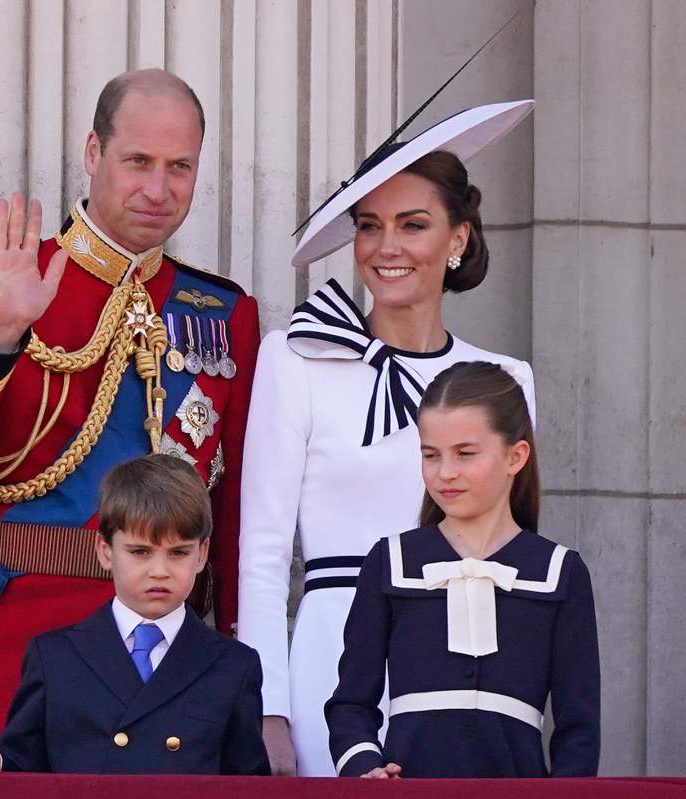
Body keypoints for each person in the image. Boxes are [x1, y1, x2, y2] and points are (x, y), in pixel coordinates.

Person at [0, 69, 260, 760]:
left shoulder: (222, 313)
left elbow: (236, 502)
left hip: (173, 672)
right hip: (20, 661)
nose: (159, 189)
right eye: (138, 162)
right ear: (93, 153)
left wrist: (237, 648)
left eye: (179, 166)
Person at [237, 100, 537, 775]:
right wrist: (268, 707)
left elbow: (513, 559)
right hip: (328, 660)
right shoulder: (295, 358)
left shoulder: (504, 380)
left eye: (413, 224)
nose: (386, 247)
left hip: (465, 661)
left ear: (457, 239)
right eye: (369, 226)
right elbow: (260, 552)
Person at [326, 361, 600, 777]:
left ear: (516, 456)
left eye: (465, 454)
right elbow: (350, 704)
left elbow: (578, 728)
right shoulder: (390, 562)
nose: (445, 473)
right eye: (430, 455)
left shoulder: (561, 572)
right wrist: (366, 767)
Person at [0, 455, 269, 774]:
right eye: (140, 552)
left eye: (178, 553)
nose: (160, 571)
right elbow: (23, 759)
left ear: (202, 555)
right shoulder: (55, 657)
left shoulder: (234, 666)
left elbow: (248, 783)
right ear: (105, 551)